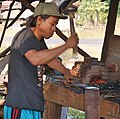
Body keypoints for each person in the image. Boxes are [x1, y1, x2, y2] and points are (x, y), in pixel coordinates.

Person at [4, 2, 79, 119]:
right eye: (52, 24)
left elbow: (49, 60)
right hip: (21, 106)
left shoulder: (38, 41)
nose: (54, 29)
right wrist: (66, 46)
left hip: (32, 105)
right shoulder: (25, 36)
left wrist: (66, 72)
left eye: (56, 25)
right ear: (39, 20)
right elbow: (35, 59)